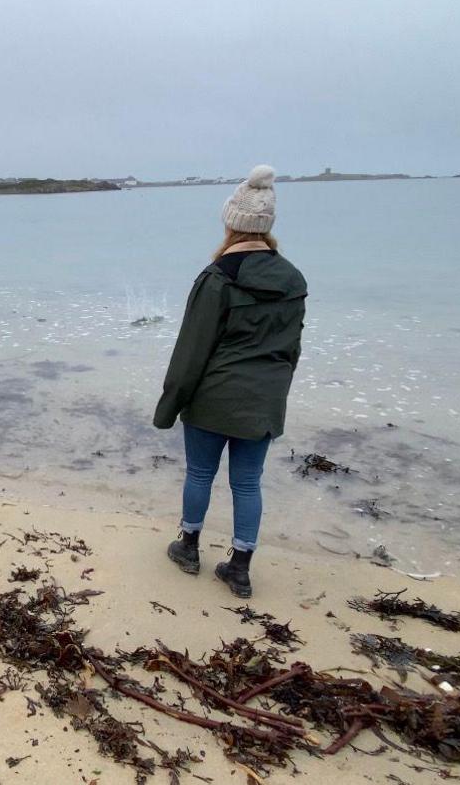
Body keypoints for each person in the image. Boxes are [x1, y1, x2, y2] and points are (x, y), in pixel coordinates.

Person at [153, 165, 306, 598]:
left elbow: (191, 350)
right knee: (247, 482)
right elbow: (291, 351)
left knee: (200, 472)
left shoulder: (217, 277)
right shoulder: (294, 279)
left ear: (231, 223)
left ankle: (188, 548)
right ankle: (239, 568)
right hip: (264, 399)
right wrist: (275, 395)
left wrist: (169, 406)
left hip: (213, 397)